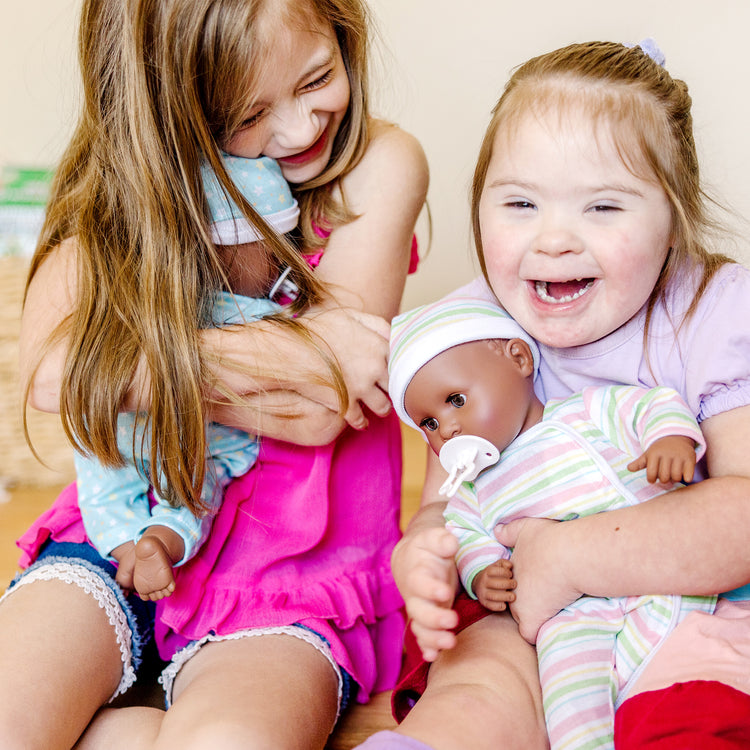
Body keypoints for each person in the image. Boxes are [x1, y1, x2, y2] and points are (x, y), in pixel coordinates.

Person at [0, 0, 428, 748]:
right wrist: (280, 354)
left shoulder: (381, 164)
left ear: (343, 33)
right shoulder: (133, 182)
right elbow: (49, 373)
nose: (298, 130)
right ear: (170, 114)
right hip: (126, 529)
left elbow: (328, 402)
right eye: (250, 113)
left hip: (292, 577)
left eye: (319, 77)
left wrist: (131, 358)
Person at [359, 40, 750, 750]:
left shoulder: (711, 313)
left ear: (674, 216)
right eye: (519, 202)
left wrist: (569, 557)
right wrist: (426, 555)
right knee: (478, 686)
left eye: (603, 206)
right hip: (528, 616)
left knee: (694, 710)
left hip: (693, 604)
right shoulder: (474, 327)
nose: (555, 239)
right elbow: (451, 499)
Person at [387, 295, 715, 749]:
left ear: (518, 358)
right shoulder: (472, 489)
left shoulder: (581, 414)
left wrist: (670, 438)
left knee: (670, 680)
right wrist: (482, 573)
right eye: (428, 422)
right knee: (567, 697)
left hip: (653, 575)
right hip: (571, 614)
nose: (447, 429)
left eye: (456, 400)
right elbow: (465, 536)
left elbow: (649, 407)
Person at [75, 153, 300, 602]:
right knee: (196, 495)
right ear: (219, 256)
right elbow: (292, 363)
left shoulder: (144, 297)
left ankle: (125, 549)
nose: (282, 260)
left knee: (101, 483)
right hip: (193, 442)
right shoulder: (255, 313)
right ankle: (162, 538)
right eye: (272, 247)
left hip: (117, 430)